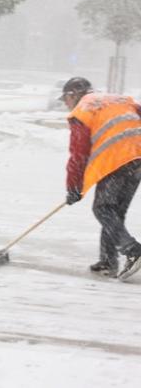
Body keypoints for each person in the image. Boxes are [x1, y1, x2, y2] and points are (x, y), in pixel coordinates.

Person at [62, 77, 141, 280]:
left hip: (116, 160)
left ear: (73, 95)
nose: (66, 104)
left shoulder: (83, 110)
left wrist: (73, 187)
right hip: (138, 157)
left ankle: (133, 251)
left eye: (65, 99)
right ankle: (107, 260)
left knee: (103, 209)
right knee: (114, 212)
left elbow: (78, 154)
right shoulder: (118, 99)